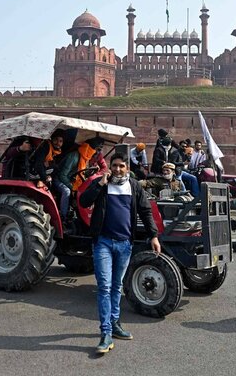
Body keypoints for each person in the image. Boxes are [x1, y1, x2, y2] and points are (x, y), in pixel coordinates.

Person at [79, 152, 161, 354]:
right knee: (104, 287)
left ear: (127, 168)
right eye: (114, 165)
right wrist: (99, 184)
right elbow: (83, 201)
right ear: (110, 167)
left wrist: (153, 236)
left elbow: (146, 211)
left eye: (121, 166)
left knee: (117, 287)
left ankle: (115, 324)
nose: (117, 169)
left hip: (125, 244)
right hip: (103, 243)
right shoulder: (102, 184)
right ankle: (105, 332)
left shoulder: (134, 186)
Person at [54, 137, 104, 222]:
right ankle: (63, 217)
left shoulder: (85, 158)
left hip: (73, 180)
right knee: (66, 191)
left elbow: (82, 173)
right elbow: (62, 175)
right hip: (58, 179)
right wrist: (72, 187)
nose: (96, 152)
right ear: (89, 148)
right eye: (95, 149)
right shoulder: (73, 157)